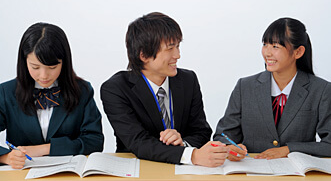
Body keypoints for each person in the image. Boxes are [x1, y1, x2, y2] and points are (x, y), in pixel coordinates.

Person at [101, 12, 228, 167]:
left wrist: (183, 143)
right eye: (170, 48)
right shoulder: (116, 89)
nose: (178, 55)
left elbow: (201, 132)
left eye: (178, 46)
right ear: (144, 55)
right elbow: (137, 142)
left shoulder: (188, 80)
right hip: (138, 169)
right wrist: (191, 155)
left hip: (183, 173)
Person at [214, 17, 331, 161]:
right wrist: (229, 147)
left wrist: (289, 149)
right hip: (252, 170)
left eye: (275, 46)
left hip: (296, 173)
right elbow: (222, 135)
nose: (267, 53)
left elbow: (329, 144)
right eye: (265, 45)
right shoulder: (245, 87)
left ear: (298, 52)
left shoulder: (321, 90)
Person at [0, 23, 104, 169]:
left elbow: (94, 141)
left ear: (64, 62)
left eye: (52, 67)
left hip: (69, 174)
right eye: (35, 67)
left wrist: (44, 149)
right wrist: (6, 157)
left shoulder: (82, 90)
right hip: (22, 174)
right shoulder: (6, 92)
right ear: (24, 62)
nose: (44, 76)